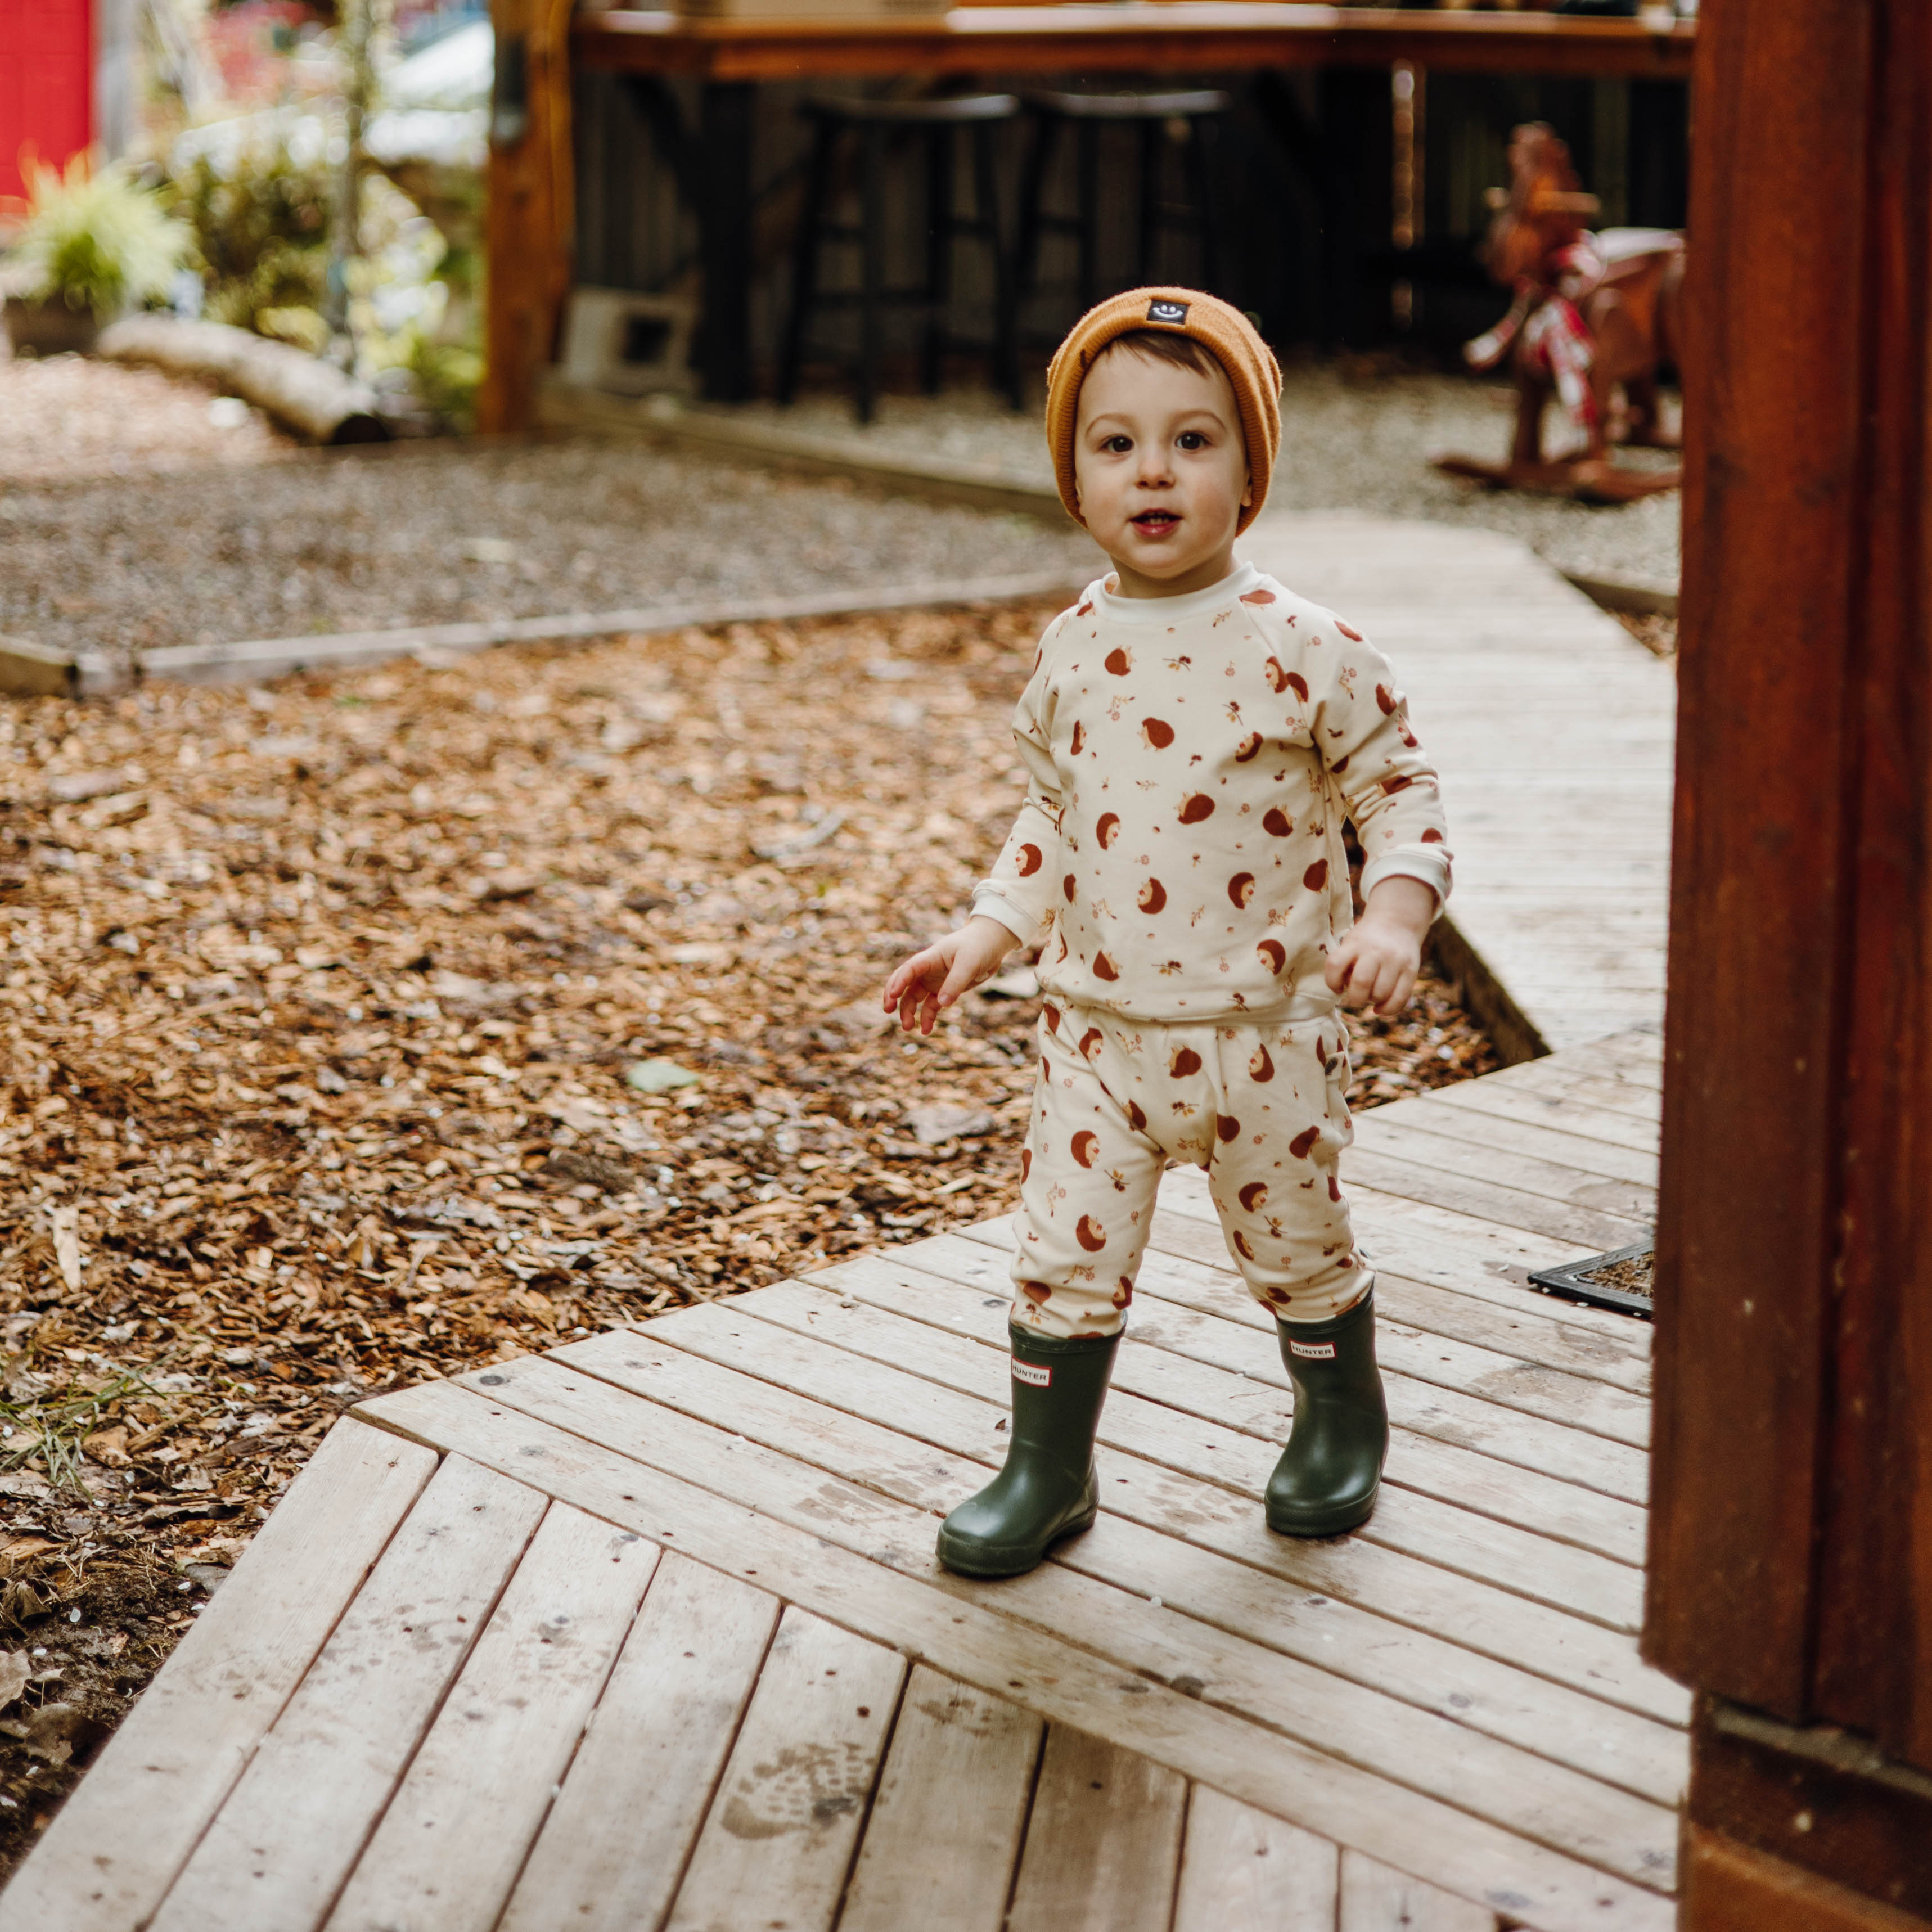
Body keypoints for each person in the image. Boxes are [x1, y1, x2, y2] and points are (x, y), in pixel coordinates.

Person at [882, 288, 1452, 1578]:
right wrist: (980, 936)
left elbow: (1400, 789)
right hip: (1097, 1035)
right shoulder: (1072, 649)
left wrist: (1393, 912)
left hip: (1267, 1038)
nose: (1152, 468)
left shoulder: (1309, 647)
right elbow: (1050, 816)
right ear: (1073, 477)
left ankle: (1336, 1415)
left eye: (1193, 440)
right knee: (1059, 1253)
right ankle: (1046, 1463)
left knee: (1297, 1246)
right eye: (1115, 442)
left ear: (1249, 469)